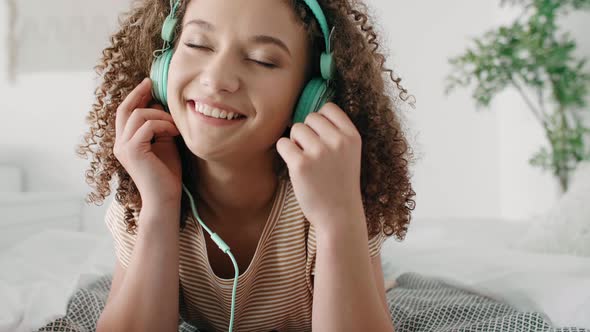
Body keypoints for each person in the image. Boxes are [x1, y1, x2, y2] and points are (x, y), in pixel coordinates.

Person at [76, 0, 416, 331]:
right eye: (197, 44)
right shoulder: (146, 187)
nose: (217, 79)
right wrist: (159, 205)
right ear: (163, 63)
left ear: (309, 96)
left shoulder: (335, 193)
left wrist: (339, 218)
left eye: (262, 60)